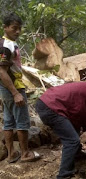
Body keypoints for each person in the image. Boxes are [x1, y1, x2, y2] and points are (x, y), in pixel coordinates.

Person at [35, 72, 86, 178]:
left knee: (75, 127)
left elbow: (80, 115)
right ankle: (64, 175)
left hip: (46, 102)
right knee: (72, 141)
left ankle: (77, 154)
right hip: (51, 107)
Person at [0, 12, 41, 163]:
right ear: (5, 28)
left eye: (19, 28)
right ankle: (25, 154)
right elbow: (1, 71)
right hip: (13, 86)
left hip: (6, 88)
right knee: (22, 121)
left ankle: (12, 154)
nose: (17, 31)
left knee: (9, 121)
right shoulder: (6, 46)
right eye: (14, 28)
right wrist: (15, 93)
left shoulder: (6, 43)